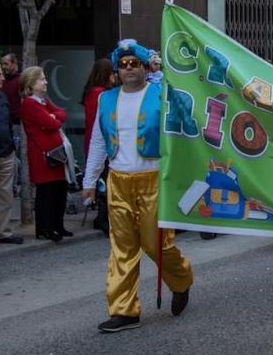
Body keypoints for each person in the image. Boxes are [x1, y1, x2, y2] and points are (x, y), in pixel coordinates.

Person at [82, 39, 193, 333]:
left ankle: (181, 279)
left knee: (156, 245)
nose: (129, 69)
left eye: (135, 64)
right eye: (123, 64)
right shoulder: (106, 99)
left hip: (154, 179)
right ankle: (124, 311)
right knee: (122, 248)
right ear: (117, 69)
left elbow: (183, 132)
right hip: (118, 180)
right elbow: (97, 140)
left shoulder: (162, 95)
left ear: (145, 67)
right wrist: (90, 180)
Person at [20, 66, 72, 242]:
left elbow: (61, 114)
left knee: (59, 190)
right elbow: (53, 123)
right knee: (46, 193)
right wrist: (53, 117)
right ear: (31, 83)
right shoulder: (29, 103)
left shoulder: (42, 101)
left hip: (55, 153)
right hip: (42, 155)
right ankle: (44, 228)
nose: (46, 82)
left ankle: (58, 225)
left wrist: (53, 116)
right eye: (42, 79)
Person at [0, 61, 25, 249]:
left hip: (6, 152)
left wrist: (11, 145)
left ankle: (2, 232)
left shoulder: (2, 96)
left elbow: (8, 121)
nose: (2, 78)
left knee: (5, 194)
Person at [81, 58, 116, 234]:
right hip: (101, 142)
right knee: (105, 183)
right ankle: (104, 218)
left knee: (104, 182)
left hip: (91, 140)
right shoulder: (101, 95)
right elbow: (103, 124)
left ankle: (102, 218)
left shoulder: (91, 92)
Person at [0, 53, 32, 224]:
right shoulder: (3, 82)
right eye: (3, 64)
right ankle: (14, 185)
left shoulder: (20, 81)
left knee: (19, 157)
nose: (4, 67)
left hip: (17, 123)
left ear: (14, 64)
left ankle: (22, 186)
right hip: (6, 123)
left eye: (6, 63)